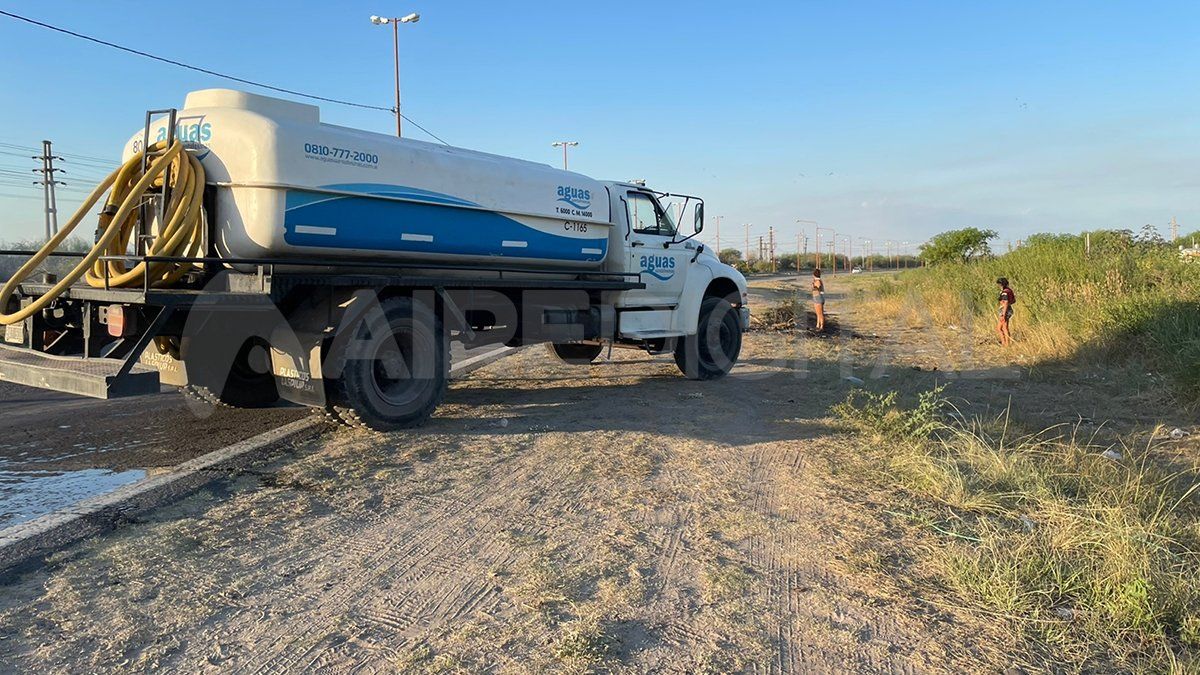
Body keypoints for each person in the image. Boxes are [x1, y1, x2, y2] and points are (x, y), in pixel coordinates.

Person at [996, 277, 1015, 346]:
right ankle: (1006, 343)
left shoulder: (1005, 292)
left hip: (1005, 310)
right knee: (1004, 327)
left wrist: (1003, 314)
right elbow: (1013, 301)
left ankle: (1005, 343)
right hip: (1008, 309)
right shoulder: (1009, 290)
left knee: (1000, 328)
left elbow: (1006, 302)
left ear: (1001, 284)